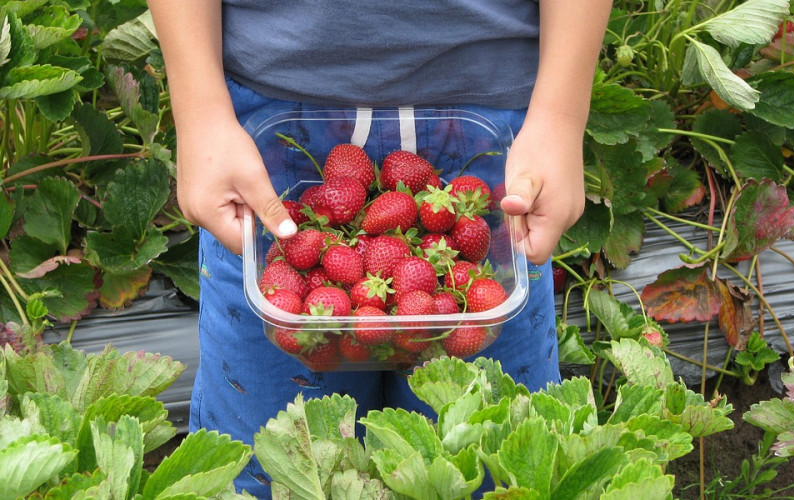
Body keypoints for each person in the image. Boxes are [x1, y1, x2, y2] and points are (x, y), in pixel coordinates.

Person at [148, 1, 612, 496]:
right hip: (263, 131)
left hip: (498, 127)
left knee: (494, 465)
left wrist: (560, 116)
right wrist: (199, 112)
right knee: (269, 465)